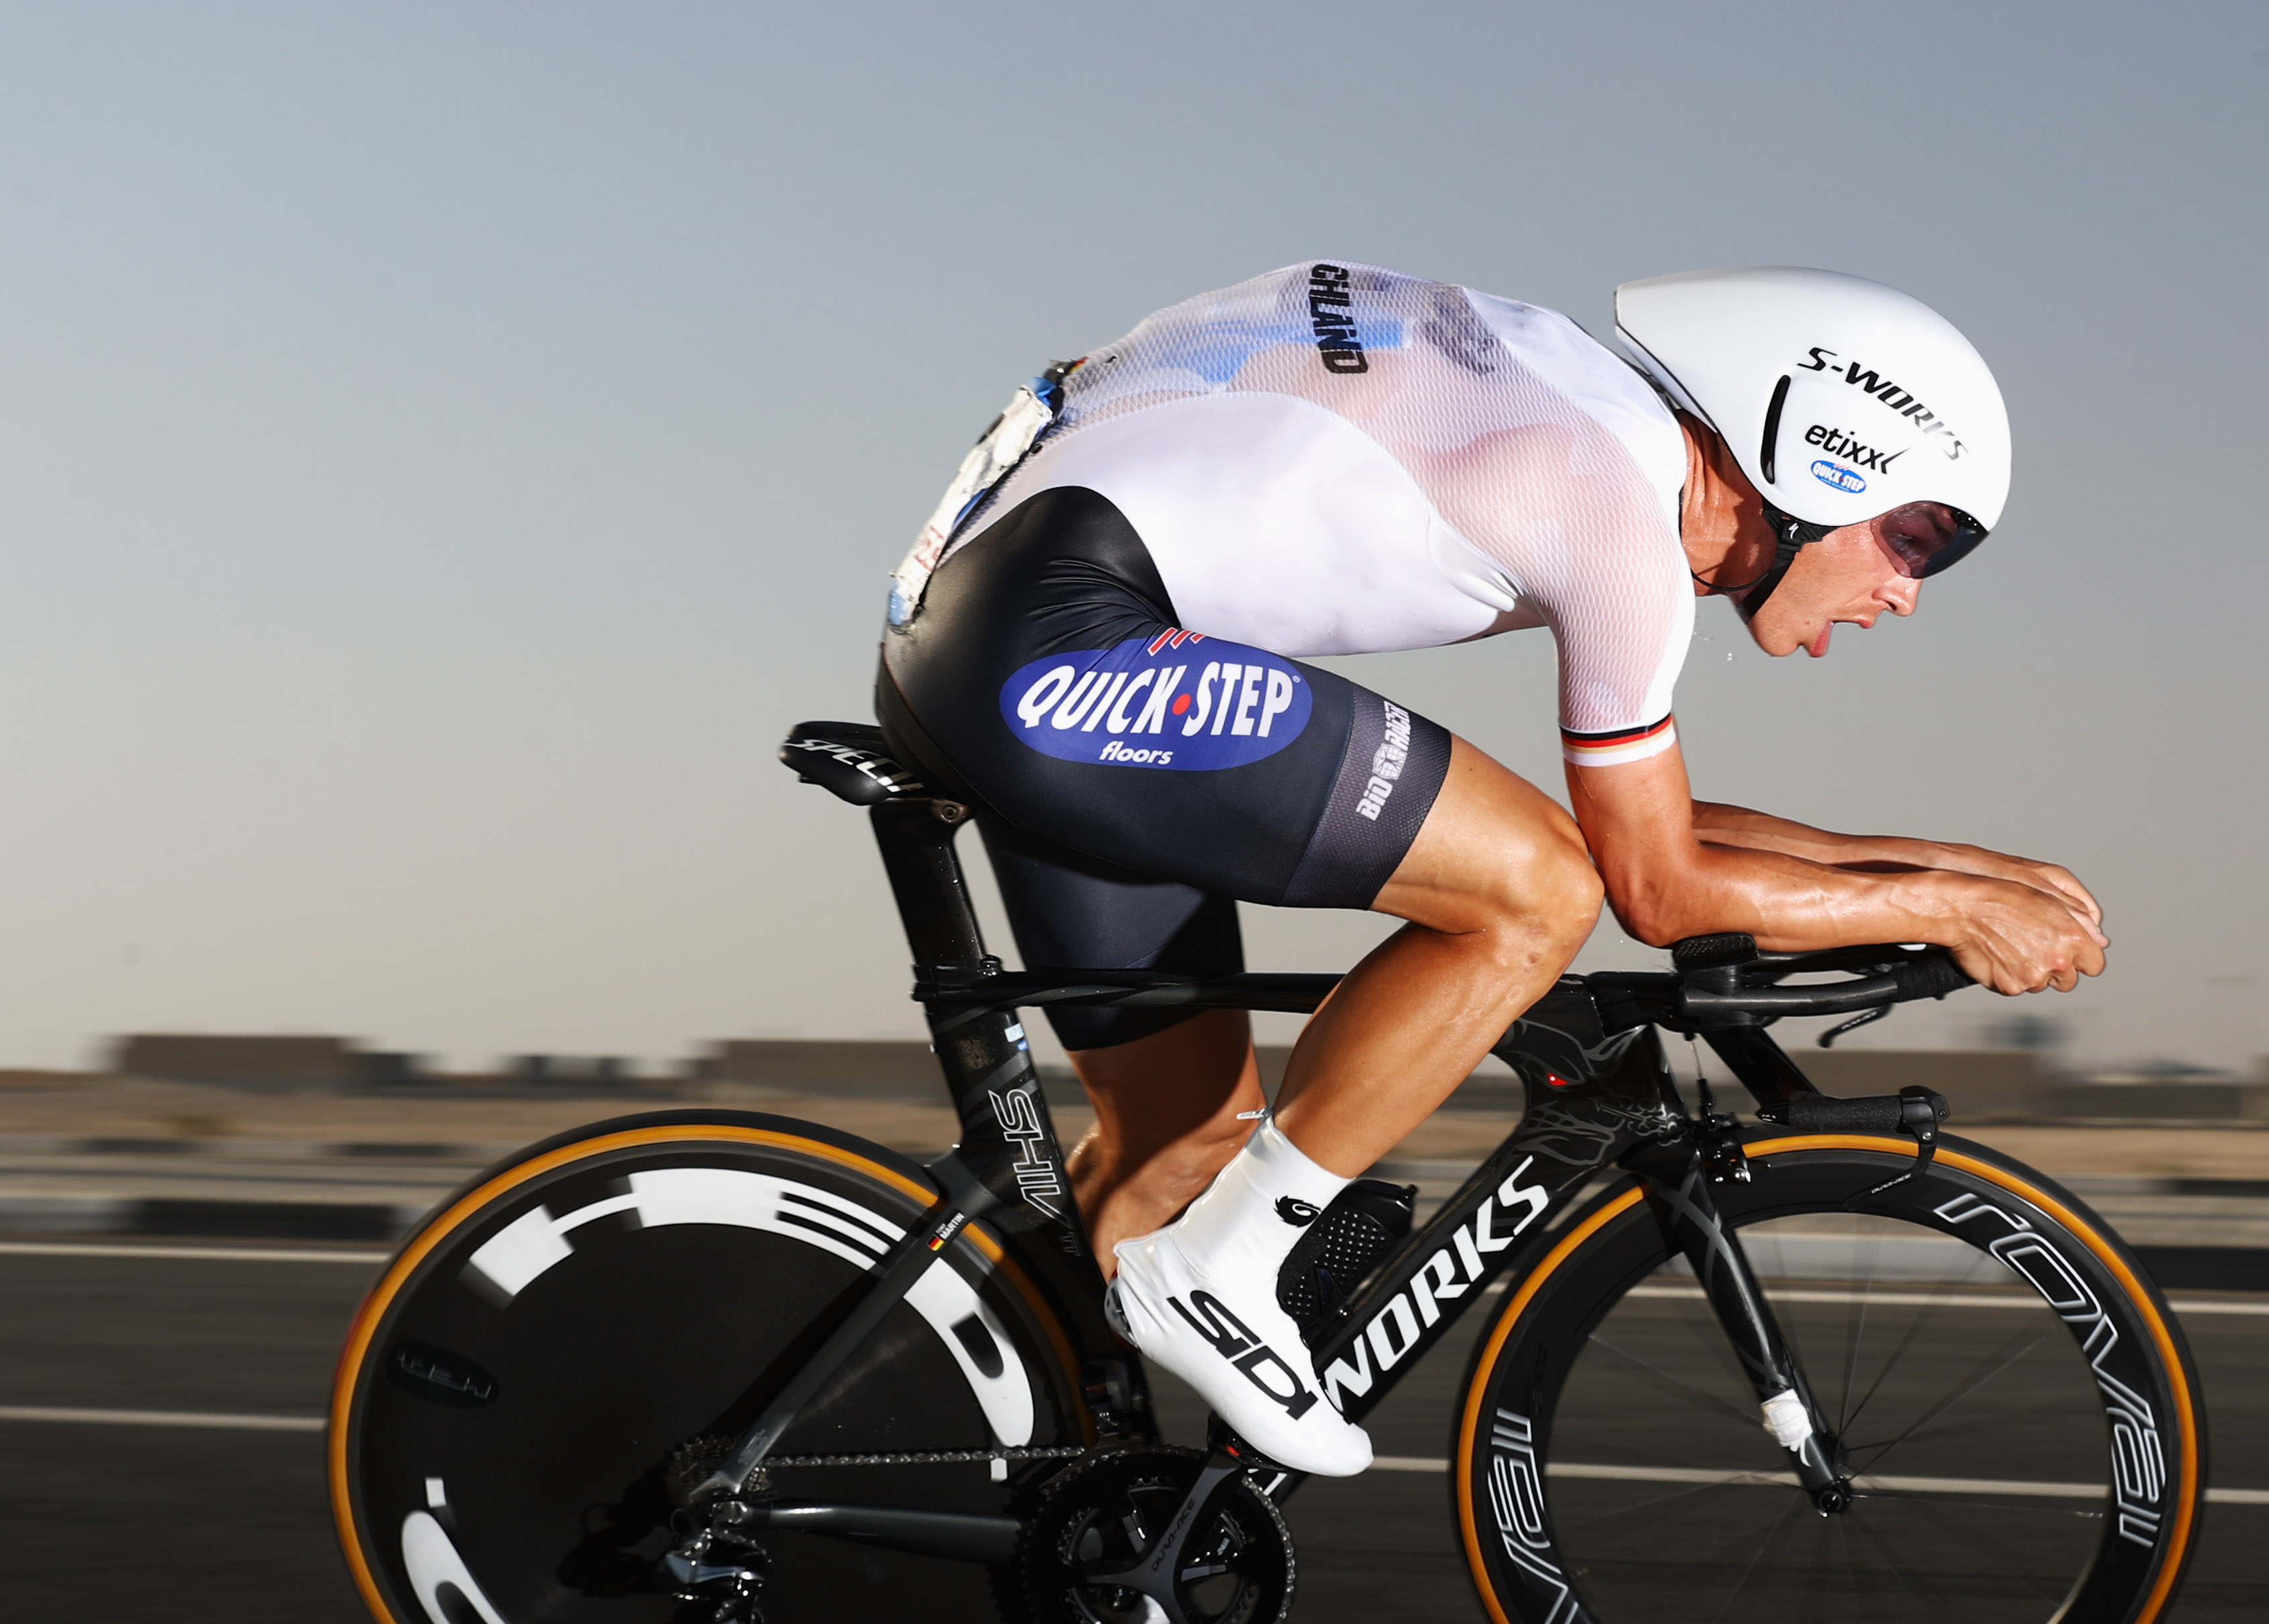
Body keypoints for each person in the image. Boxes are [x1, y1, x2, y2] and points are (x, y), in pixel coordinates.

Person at [874, 263, 2107, 1477]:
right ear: (1818, 457)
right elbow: (1651, 886)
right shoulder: (1612, 510)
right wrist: (1942, 905)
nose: (1906, 589)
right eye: (1918, 536)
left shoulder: (1583, 418)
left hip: (1000, 642)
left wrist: (1949, 866)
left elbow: (1634, 822)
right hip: (1067, 650)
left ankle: (1070, 1503)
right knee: (1534, 897)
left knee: (1183, 1146)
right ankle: (1221, 1275)